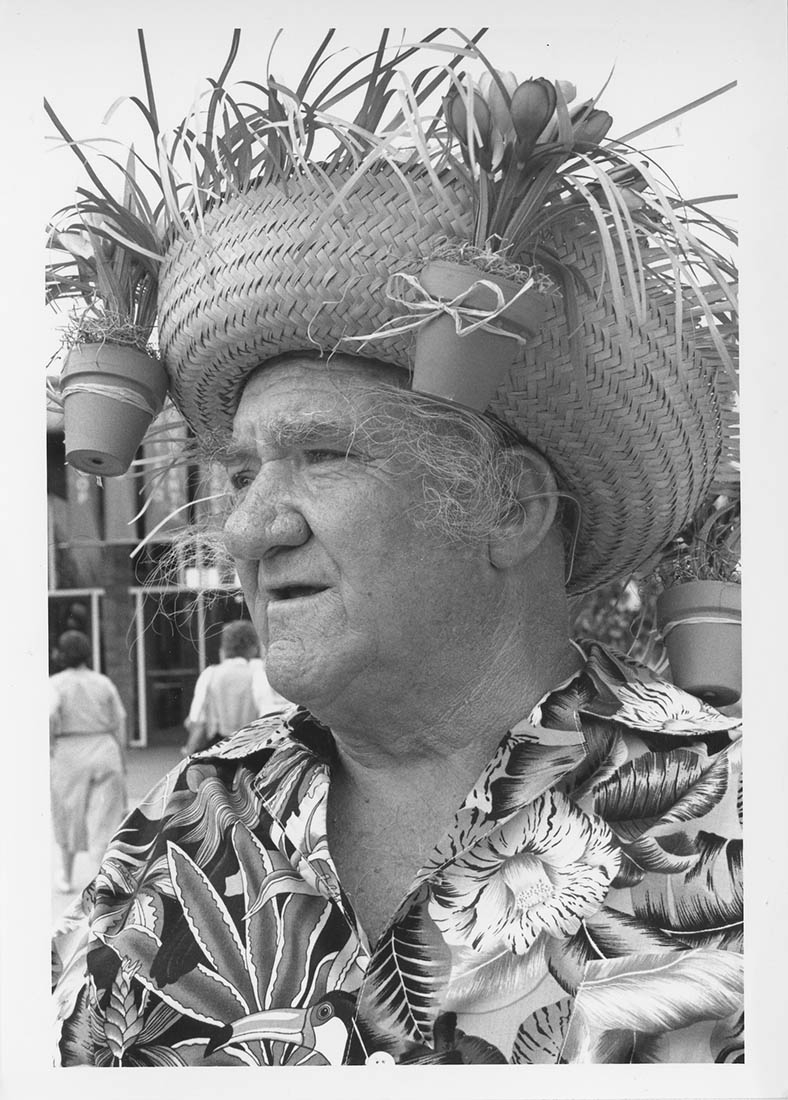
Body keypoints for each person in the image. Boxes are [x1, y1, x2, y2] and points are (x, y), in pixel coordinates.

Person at [50, 32, 742, 1066]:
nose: (246, 527)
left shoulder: (728, 819)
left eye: (321, 454)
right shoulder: (187, 816)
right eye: (241, 473)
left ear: (508, 506)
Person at [49, 631, 127, 894]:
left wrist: (49, 745)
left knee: (67, 815)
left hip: (68, 752)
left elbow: (49, 715)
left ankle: (67, 876)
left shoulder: (55, 683)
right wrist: (122, 759)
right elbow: (119, 723)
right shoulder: (103, 682)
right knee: (103, 819)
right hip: (104, 747)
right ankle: (100, 881)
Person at [183, 620, 289, 754]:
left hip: (218, 749)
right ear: (253, 647)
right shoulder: (258, 675)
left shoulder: (210, 674)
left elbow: (197, 720)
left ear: (225, 647)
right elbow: (268, 718)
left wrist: (189, 753)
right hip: (251, 749)